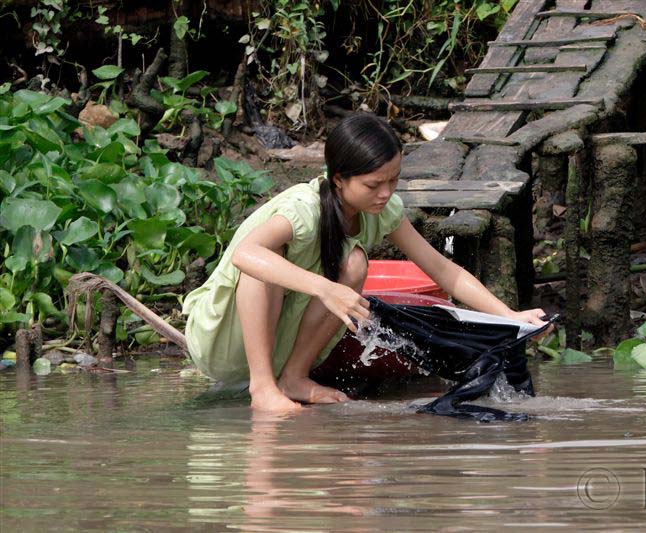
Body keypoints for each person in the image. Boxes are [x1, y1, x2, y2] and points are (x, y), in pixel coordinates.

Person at [183, 113, 552, 413]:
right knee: (264, 261)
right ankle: (263, 389)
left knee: (355, 264)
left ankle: (293, 379)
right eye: (374, 184)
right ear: (339, 179)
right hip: (223, 338)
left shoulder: (382, 211)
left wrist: (509, 316)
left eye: (393, 180)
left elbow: (441, 269)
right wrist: (326, 289)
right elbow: (245, 255)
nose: (386, 193)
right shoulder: (301, 210)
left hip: (279, 336)